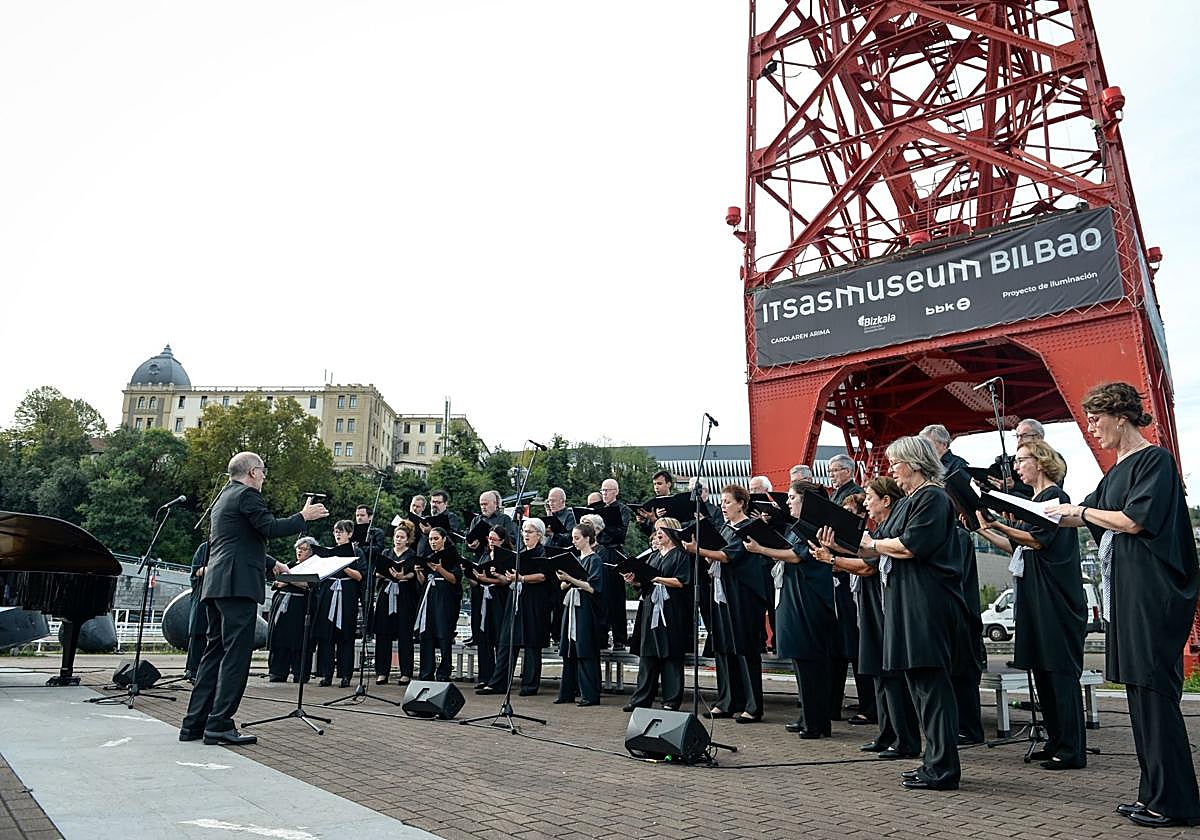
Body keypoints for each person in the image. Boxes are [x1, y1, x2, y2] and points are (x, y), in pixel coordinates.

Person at [1047, 383, 1200, 827]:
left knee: (1155, 697)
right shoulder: (1114, 473)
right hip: (1129, 595)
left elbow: (1133, 520)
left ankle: (1175, 802)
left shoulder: (1154, 460)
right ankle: (1152, 792)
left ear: (1121, 415)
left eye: (1096, 419)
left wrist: (1083, 513)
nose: (1092, 428)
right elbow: (1084, 510)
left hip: (1153, 596)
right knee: (1138, 697)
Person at [180, 451, 328, 746]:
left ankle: (194, 724)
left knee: (214, 653)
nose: (264, 477)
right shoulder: (248, 496)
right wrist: (303, 517)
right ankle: (220, 724)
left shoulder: (223, 498)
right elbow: (269, 528)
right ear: (252, 473)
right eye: (263, 471)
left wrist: (271, 563)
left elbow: (236, 540)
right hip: (238, 586)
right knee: (236, 655)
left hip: (217, 585)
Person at [856, 436, 965, 791]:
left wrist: (873, 545)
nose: (893, 472)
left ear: (914, 463)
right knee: (919, 685)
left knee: (932, 685)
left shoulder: (932, 497)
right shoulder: (911, 501)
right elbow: (881, 542)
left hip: (927, 602)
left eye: (896, 464)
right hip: (908, 600)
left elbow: (908, 546)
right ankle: (933, 762)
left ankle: (943, 768)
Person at [975, 439, 1086, 769]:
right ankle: (1055, 740)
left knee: (1059, 673)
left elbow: (1037, 540)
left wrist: (997, 522)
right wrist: (984, 529)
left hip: (1055, 599)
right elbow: (1017, 546)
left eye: (1022, 459)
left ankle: (1071, 749)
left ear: (1041, 462)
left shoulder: (1055, 498)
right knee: (1042, 672)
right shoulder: (1034, 501)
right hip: (1035, 596)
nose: (1017, 466)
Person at [815, 478, 922, 759]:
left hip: (883, 606)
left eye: (869, 499)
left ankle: (904, 738)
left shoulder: (887, 532)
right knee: (878, 671)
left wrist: (832, 559)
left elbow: (867, 566)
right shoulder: (882, 531)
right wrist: (836, 548)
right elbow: (865, 554)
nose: (866, 504)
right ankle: (887, 733)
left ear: (886, 501)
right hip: (871, 606)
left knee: (891, 674)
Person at [744, 481, 836, 738]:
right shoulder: (796, 527)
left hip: (810, 598)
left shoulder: (813, 526)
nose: (788, 503)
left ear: (806, 501)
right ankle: (807, 714)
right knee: (800, 659)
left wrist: (761, 548)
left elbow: (797, 556)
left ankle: (816, 722)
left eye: (793, 497)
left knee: (811, 661)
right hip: (796, 594)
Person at [684, 484, 769, 723]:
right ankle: (727, 700)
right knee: (723, 646)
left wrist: (696, 549)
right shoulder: (724, 527)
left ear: (741, 503)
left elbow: (727, 555)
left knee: (744, 649)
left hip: (742, 596)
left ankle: (752, 705)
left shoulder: (748, 528)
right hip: (721, 594)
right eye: (721, 502)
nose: (723, 506)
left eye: (728, 502)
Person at [622, 518, 692, 711]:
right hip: (651, 608)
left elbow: (681, 581)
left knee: (671, 655)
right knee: (648, 655)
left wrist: (656, 578)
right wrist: (634, 581)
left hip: (671, 610)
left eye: (662, 529)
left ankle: (671, 699)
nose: (658, 532)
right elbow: (645, 583)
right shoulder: (653, 556)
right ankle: (642, 698)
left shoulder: (681, 555)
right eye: (656, 529)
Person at [482, 517, 551, 696]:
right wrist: (500, 574)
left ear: (539, 534)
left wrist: (521, 578)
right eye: (524, 532)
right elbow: (509, 578)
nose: (525, 535)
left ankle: (529, 685)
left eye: (529, 532)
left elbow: (542, 576)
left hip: (534, 601)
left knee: (531, 643)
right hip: (516, 599)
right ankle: (499, 682)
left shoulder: (543, 553)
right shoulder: (519, 553)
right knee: (507, 640)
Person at [826, 455, 871, 724]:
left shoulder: (854, 496)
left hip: (850, 579)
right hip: (838, 576)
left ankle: (868, 703)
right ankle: (834, 702)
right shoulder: (838, 496)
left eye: (835, 470)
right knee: (841, 644)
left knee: (855, 644)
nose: (831, 474)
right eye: (829, 470)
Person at [555, 521, 605, 706]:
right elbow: (563, 586)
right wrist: (564, 579)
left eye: (577, 538)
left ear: (587, 539)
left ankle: (589, 694)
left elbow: (592, 587)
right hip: (572, 605)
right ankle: (567, 692)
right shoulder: (575, 559)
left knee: (584, 648)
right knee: (569, 648)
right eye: (573, 538)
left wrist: (570, 578)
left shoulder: (595, 559)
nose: (574, 541)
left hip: (585, 607)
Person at [313, 520, 366, 688]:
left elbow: (360, 576)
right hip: (328, 592)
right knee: (327, 636)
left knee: (346, 637)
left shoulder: (357, 551)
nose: (337, 534)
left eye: (341, 531)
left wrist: (343, 566)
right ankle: (326, 674)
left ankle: (345, 675)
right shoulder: (330, 551)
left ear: (349, 534)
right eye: (336, 531)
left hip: (347, 593)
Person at [465, 490, 517, 646]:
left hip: (499, 566)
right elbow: (470, 542)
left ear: (496, 504)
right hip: (481, 561)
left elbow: (513, 539)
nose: (483, 507)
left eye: (486, 504)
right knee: (476, 600)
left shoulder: (505, 519)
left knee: (496, 606)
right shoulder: (476, 520)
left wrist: (495, 540)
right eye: (481, 504)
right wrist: (472, 544)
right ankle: (476, 634)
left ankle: (497, 635)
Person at [373, 521, 418, 685]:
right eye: (396, 536)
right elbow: (378, 571)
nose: (398, 540)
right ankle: (382, 672)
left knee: (404, 634)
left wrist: (403, 577)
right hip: (386, 593)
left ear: (407, 539)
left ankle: (405, 672)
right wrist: (387, 574)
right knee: (383, 633)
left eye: (402, 537)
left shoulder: (411, 554)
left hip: (404, 595)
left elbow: (414, 574)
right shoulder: (386, 552)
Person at [469, 526, 514, 690]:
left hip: (500, 599)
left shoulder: (508, 557)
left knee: (498, 637)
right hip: (484, 598)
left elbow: (507, 581)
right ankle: (485, 676)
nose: (491, 542)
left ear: (502, 540)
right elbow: (478, 579)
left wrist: (487, 579)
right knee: (484, 636)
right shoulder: (485, 555)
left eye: (494, 539)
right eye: (489, 539)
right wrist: (471, 576)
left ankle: (498, 678)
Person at [414, 526, 462, 681]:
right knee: (426, 633)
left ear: (444, 539)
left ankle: (444, 672)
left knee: (444, 634)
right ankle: (426, 671)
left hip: (445, 598)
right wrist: (419, 571)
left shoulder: (452, 557)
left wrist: (440, 569)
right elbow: (423, 582)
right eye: (430, 539)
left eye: (436, 538)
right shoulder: (428, 556)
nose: (433, 542)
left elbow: (455, 579)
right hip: (429, 596)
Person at [266, 537, 315, 683]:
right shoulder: (289, 565)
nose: (299, 551)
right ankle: (277, 671)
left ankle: (300, 673)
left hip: (300, 607)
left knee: (299, 641)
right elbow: (278, 581)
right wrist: (280, 580)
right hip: (282, 605)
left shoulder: (313, 566)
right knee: (279, 639)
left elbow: (309, 583)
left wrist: (288, 580)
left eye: (304, 549)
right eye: (298, 548)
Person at [597, 478, 632, 651]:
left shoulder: (623, 509)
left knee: (616, 596)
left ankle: (620, 638)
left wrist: (604, 528)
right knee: (601, 595)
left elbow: (621, 533)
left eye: (607, 490)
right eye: (602, 490)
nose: (604, 493)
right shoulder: (599, 509)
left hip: (615, 553)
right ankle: (601, 637)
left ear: (616, 491)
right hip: (601, 552)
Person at [184, 540, 210, 680]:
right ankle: (192, 670)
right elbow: (197, 571)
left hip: (218, 594)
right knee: (198, 632)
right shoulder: (204, 548)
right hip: (202, 593)